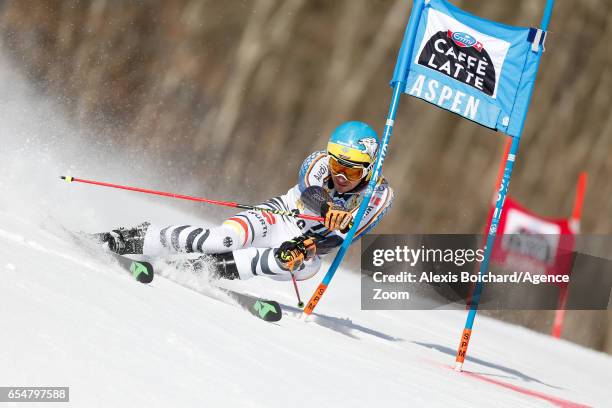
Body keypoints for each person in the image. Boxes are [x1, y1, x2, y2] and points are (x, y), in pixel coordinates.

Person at [95, 121, 394, 281]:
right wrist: (329, 210)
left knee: (293, 261)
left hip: (310, 250)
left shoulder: (379, 196)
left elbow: (346, 237)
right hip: (280, 216)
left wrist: (311, 244)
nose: (340, 175)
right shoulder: (317, 161)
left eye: (351, 170)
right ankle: (133, 237)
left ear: (368, 168)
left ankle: (203, 270)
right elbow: (309, 194)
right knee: (223, 239)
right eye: (336, 165)